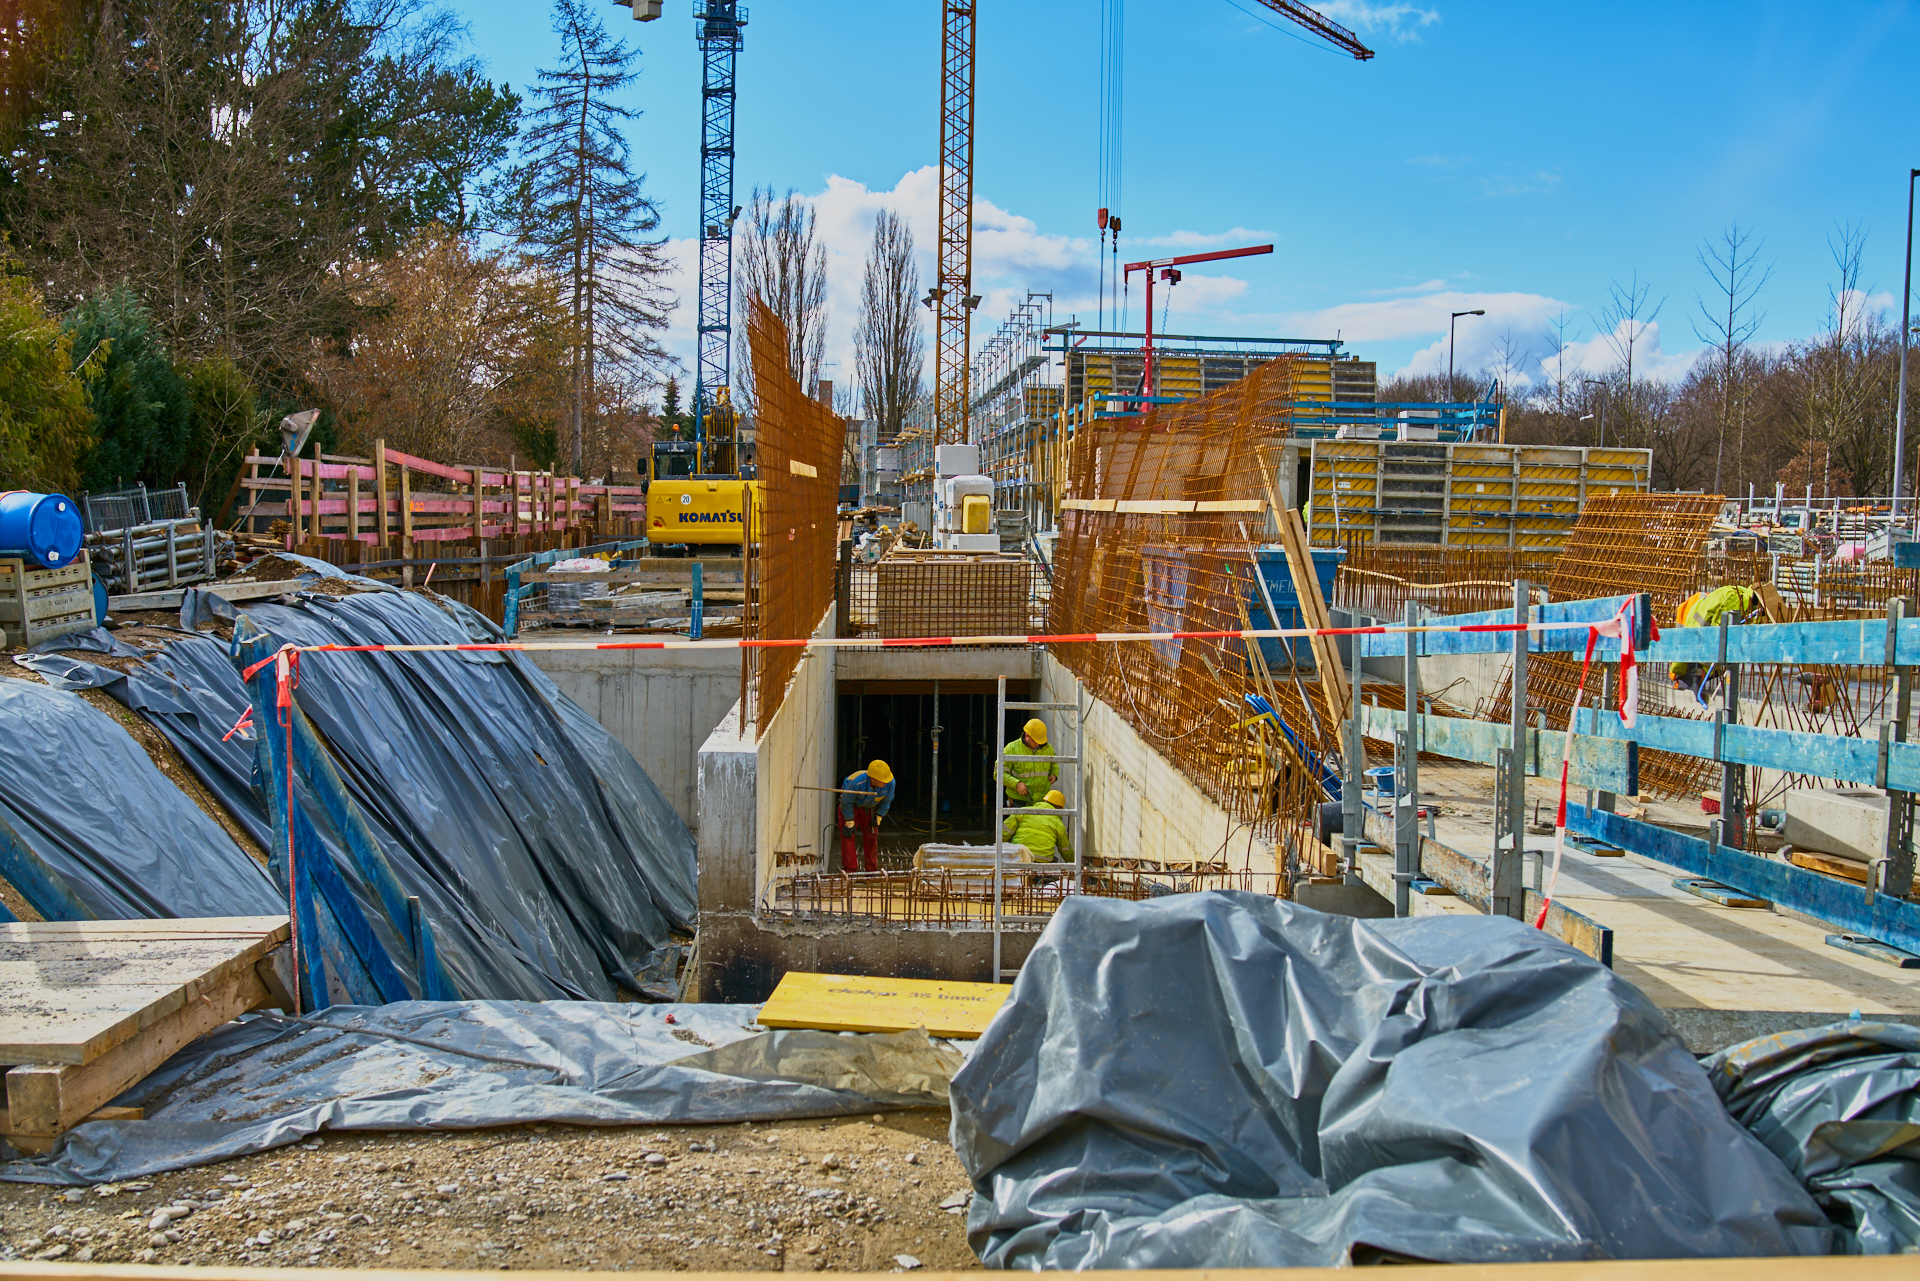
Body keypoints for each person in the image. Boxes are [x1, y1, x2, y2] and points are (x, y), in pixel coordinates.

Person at [839, 759, 894, 874]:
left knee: (872, 835)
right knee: (848, 835)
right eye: (883, 781)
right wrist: (849, 821)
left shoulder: (890, 782)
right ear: (873, 779)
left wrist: (879, 816)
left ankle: (871, 871)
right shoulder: (855, 783)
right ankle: (850, 870)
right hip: (850, 805)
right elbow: (846, 802)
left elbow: (887, 800)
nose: (886, 783)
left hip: (869, 806)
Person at [997, 718, 1058, 806]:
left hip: (1042, 800)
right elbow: (998, 773)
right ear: (1026, 735)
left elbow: (1054, 763)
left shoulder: (1048, 748)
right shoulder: (1011, 749)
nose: (1037, 744)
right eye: (1035, 740)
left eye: (1039, 741)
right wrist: (1016, 784)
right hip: (1019, 801)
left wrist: (1054, 774)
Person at [1002, 789, 1072, 863]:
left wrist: (1001, 850)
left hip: (1019, 857)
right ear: (1059, 808)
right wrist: (1075, 864)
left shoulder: (1023, 811)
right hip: (1043, 862)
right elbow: (1065, 850)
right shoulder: (1058, 823)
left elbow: (1004, 833)